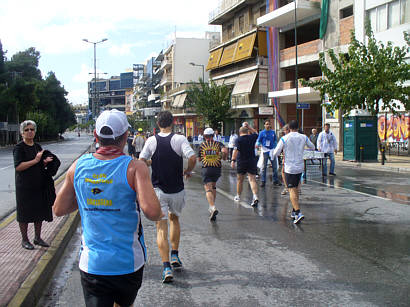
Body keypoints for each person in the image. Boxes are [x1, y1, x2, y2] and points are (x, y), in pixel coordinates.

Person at [53, 109, 162, 307]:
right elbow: (153, 212)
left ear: (96, 136)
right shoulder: (135, 167)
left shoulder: (78, 166)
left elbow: (59, 209)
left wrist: (90, 197)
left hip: (92, 264)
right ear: (125, 136)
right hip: (128, 264)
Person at [139, 111, 196, 283]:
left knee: (161, 227)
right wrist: (188, 171)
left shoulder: (151, 140)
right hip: (177, 189)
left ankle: (166, 268)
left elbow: (141, 160)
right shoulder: (180, 139)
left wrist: (151, 164)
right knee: (175, 219)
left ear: (158, 124)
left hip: (159, 190)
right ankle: (175, 255)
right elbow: (192, 157)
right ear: (172, 123)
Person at [13, 120, 59, 250]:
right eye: (27, 130)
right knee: (24, 213)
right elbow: (19, 166)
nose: (29, 132)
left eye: (32, 129)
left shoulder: (37, 147)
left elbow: (39, 165)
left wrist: (44, 162)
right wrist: (36, 160)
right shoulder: (19, 148)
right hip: (24, 186)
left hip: (38, 184)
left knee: (39, 211)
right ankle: (25, 240)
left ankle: (37, 238)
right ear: (22, 132)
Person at [272, 120, 315, 224]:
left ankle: (298, 212)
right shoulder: (303, 137)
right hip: (300, 166)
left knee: (291, 190)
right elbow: (312, 147)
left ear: (289, 128)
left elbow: (276, 152)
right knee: (295, 189)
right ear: (298, 127)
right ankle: (294, 211)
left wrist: (282, 154)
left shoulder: (285, 138)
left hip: (289, 167)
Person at [198, 128, 228, 221]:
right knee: (214, 187)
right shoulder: (218, 144)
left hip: (207, 169)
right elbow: (225, 151)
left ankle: (212, 207)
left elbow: (199, 159)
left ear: (204, 136)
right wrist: (223, 156)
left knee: (208, 189)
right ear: (213, 135)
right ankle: (212, 206)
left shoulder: (202, 145)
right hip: (217, 169)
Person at [230, 122, 259, 207]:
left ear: (239, 132)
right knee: (252, 180)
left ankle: (238, 196)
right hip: (251, 160)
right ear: (247, 131)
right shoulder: (251, 137)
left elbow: (235, 150)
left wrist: (233, 160)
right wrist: (249, 127)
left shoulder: (238, 140)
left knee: (240, 180)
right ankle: (255, 196)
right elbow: (256, 133)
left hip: (241, 161)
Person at [256, 119, 281, 187]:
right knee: (264, 167)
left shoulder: (273, 132)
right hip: (265, 151)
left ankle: (275, 180)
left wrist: (275, 147)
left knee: (275, 167)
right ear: (264, 125)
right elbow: (259, 140)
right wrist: (257, 144)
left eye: (269, 124)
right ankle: (263, 181)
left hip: (272, 150)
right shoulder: (262, 133)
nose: (268, 125)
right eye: (266, 124)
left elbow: (275, 140)